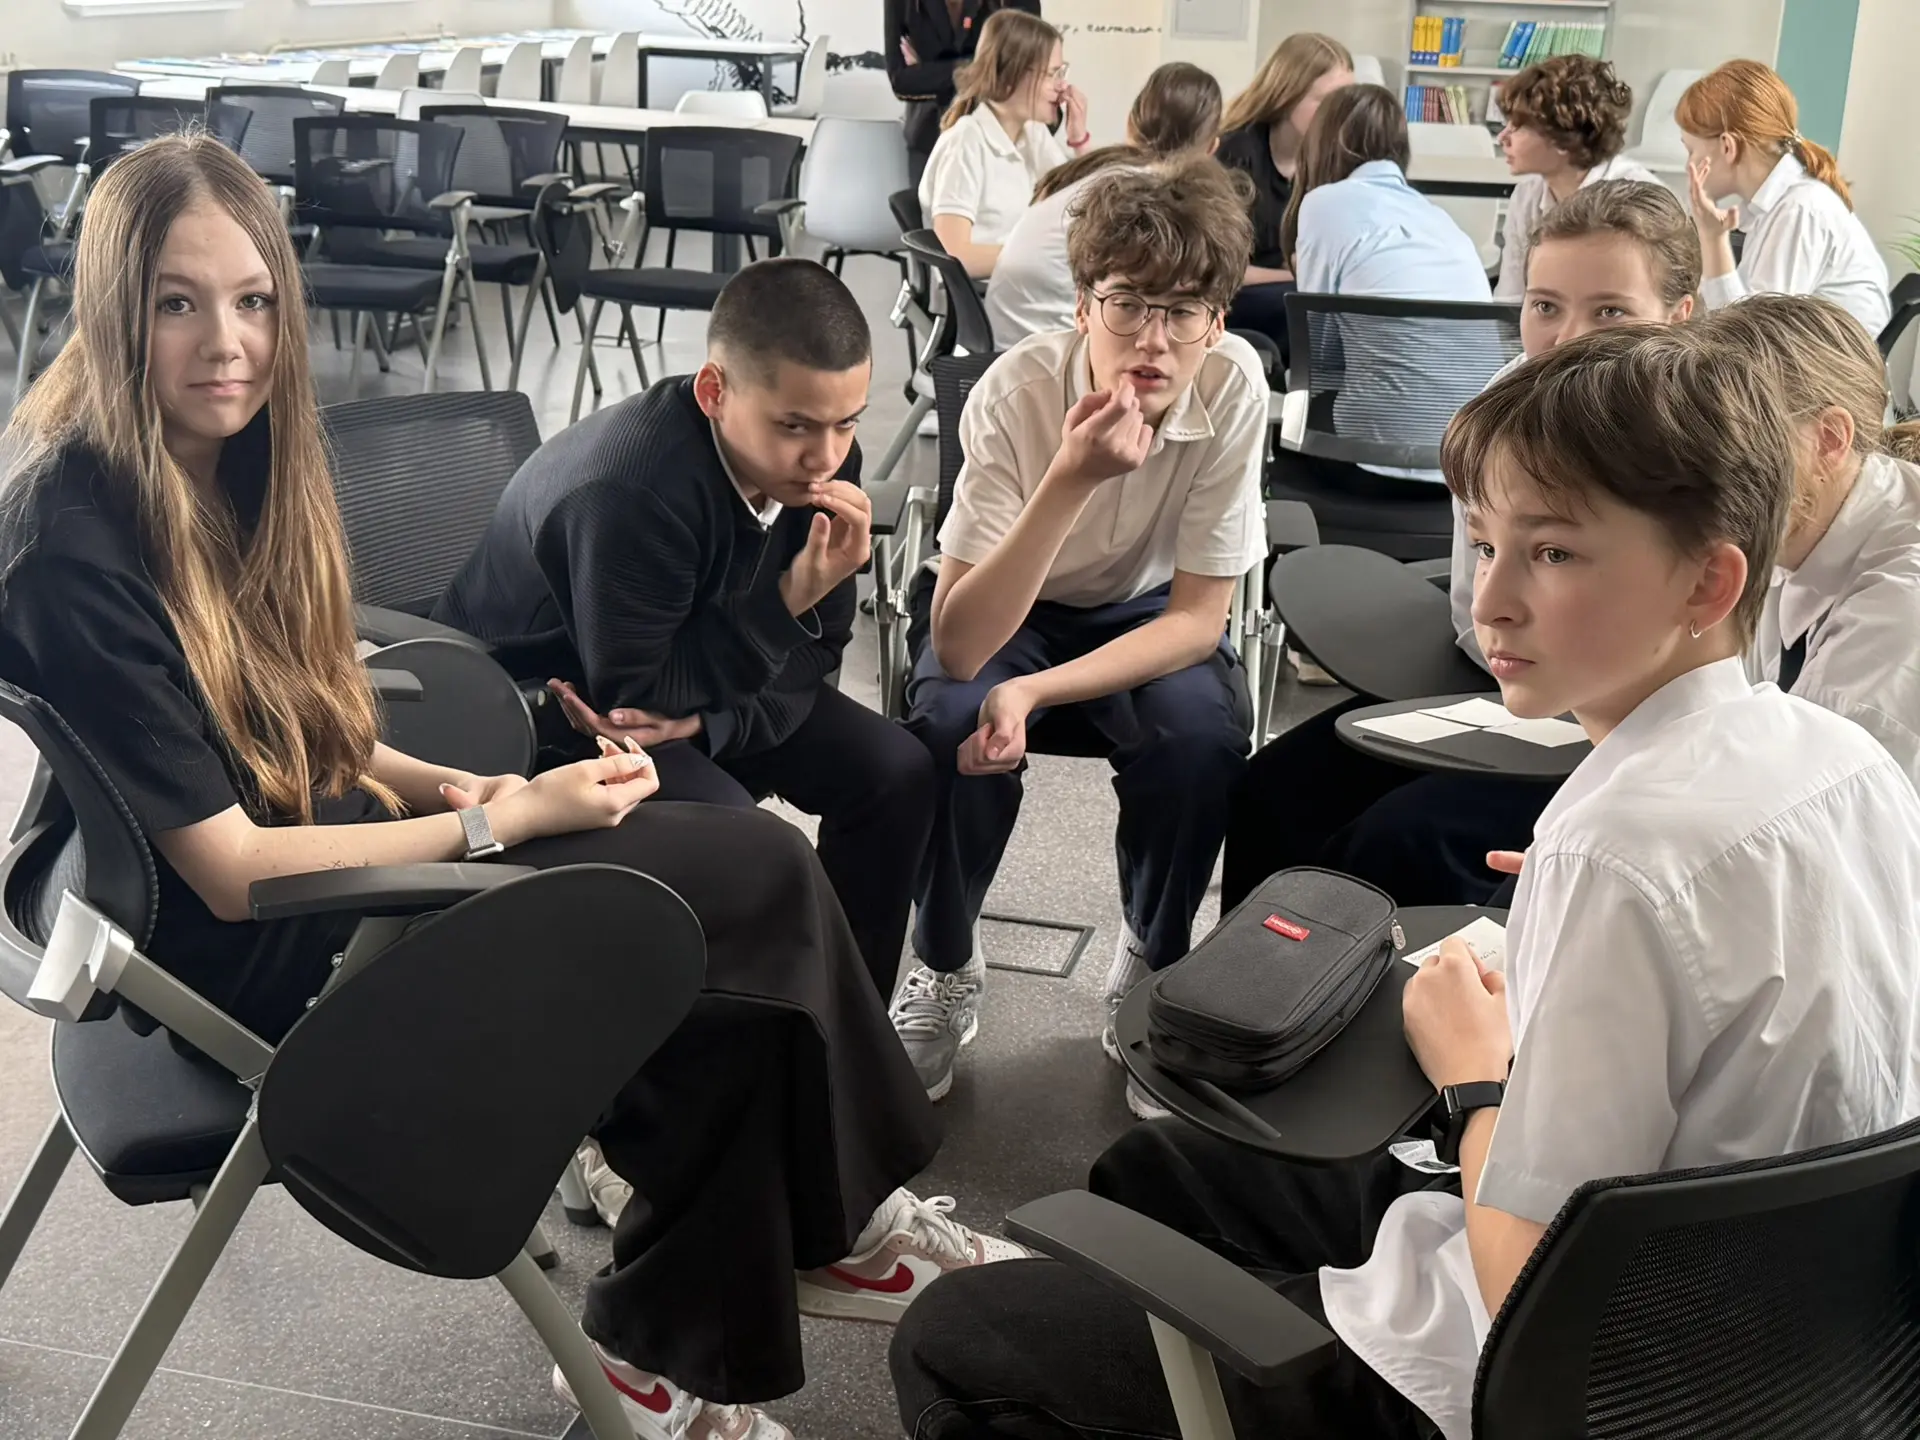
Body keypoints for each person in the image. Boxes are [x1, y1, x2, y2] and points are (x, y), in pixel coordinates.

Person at [0, 134, 1024, 1440]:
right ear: (113, 307)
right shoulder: (77, 544)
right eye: (177, 303)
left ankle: (685, 1337)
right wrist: (501, 818)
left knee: (739, 957)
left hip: (335, 855)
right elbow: (232, 873)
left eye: (252, 300)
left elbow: (284, 715)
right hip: (271, 954)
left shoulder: (205, 470)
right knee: (754, 885)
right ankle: (829, 1235)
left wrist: (443, 777)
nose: (228, 344)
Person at [888, 319, 1920, 1440]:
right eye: (1484, 544)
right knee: (1161, 1170)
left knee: (957, 1339)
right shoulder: (1847, 760)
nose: (1492, 602)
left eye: (1555, 554)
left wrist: (1474, 1079)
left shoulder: (1615, 848)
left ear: (1708, 581)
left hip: (1574, 1382)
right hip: (1793, 1345)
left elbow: (1529, 1297)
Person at [434, 258, 931, 1001]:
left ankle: (844, 1022)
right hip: (550, 706)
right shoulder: (629, 490)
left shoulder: (820, 459)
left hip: (705, 682)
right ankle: (750, 1037)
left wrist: (714, 721)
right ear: (713, 392)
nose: (827, 456)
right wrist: (790, 599)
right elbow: (636, 696)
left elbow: (820, 648)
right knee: (748, 847)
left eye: (847, 421)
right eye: (794, 425)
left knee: (898, 771)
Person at [892, 157, 1266, 1115]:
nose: (1153, 338)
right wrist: (1070, 478)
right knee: (949, 722)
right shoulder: (1016, 392)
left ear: (1218, 321)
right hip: (1012, 603)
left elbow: (1198, 619)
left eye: (1183, 311)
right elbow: (963, 646)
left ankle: (1152, 958)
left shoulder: (1233, 387)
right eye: (1127, 304)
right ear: (1083, 307)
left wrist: (1036, 692)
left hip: (1149, 614)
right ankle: (944, 960)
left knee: (1200, 738)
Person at [1222, 179, 1700, 910]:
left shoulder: (1694, 442)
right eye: (1545, 307)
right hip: (1509, 691)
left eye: (1610, 311)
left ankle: (1369, 979)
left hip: (1632, 732)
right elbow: (1471, 609)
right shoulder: (1498, 409)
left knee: (1395, 847)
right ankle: (1241, 985)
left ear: (1678, 317)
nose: (1567, 339)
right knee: (1273, 789)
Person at [1265, 83, 1498, 559]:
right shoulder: (1442, 221)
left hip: (1364, 468)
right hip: (1464, 469)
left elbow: (1317, 358)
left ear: (1323, 142)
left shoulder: (1324, 203)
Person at [985, 61, 1222, 347]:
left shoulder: (1106, 171)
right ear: (1211, 148)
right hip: (1040, 345)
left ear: (1130, 122)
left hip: (1006, 333)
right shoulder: (1156, 197)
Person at [1678, 58, 1890, 337]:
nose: (1688, 165)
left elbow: (1751, 339)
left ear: (1728, 147)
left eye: (1691, 151)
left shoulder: (1799, 209)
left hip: (1825, 363)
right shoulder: (1772, 208)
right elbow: (1739, 318)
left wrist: (1713, 239)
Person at [916, 8, 1087, 279]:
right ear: (1012, 76)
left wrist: (1079, 140)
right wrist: (1040, 255)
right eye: (1052, 73)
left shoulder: (1033, 133)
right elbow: (955, 256)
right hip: (987, 295)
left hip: (1022, 285)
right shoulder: (965, 143)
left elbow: (1084, 206)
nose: (1062, 86)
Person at [1213, 31, 1354, 353]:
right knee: (1314, 309)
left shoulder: (1335, 160)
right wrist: (1297, 274)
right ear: (1287, 95)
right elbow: (1216, 270)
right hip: (1234, 297)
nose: (1341, 116)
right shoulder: (1235, 154)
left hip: (1294, 288)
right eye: (1327, 102)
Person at [1491, 55, 1656, 299]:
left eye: (1518, 127)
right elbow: (1512, 296)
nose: (1502, 138)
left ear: (1563, 138)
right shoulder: (1526, 196)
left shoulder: (1640, 198)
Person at [888, 0, 1042, 186]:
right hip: (928, 140)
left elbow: (1022, 66)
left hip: (1001, 141)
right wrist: (983, 67)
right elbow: (901, 81)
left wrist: (929, 72)